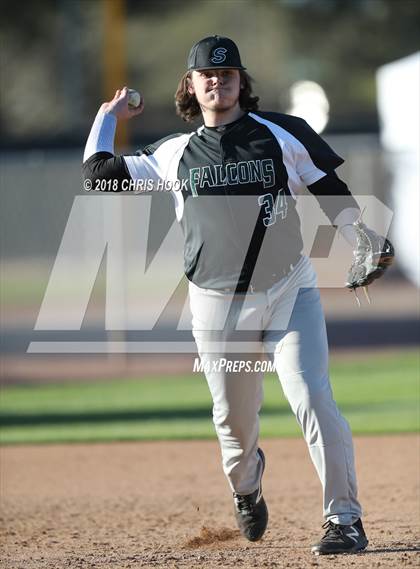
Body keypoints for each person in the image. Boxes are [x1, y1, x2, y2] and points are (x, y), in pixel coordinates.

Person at [83, 35, 372, 555]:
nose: (218, 80)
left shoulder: (281, 133)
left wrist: (362, 242)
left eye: (228, 73)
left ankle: (344, 519)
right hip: (218, 307)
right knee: (235, 427)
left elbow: (329, 190)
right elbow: (99, 175)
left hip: (289, 291)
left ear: (242, 82)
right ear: (191, 86)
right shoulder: (174, 153)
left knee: (312, 398)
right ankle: (247, 485)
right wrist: (108, 115)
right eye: (207, 74)